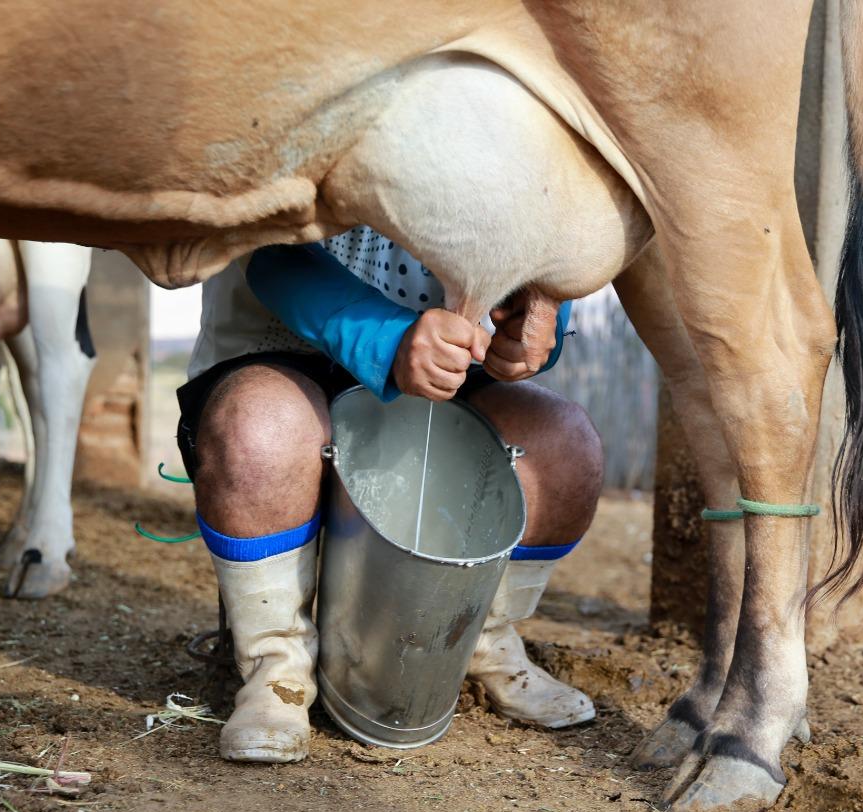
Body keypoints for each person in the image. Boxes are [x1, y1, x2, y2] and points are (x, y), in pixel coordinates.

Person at [178, 227, 604, 763]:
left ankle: (479, 637)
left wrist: (540, 314)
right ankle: (275, 666)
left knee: (562, 444)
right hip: (275, 351)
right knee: (258, 429)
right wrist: (390, 338)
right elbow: (268, 254)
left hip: (445, 367)